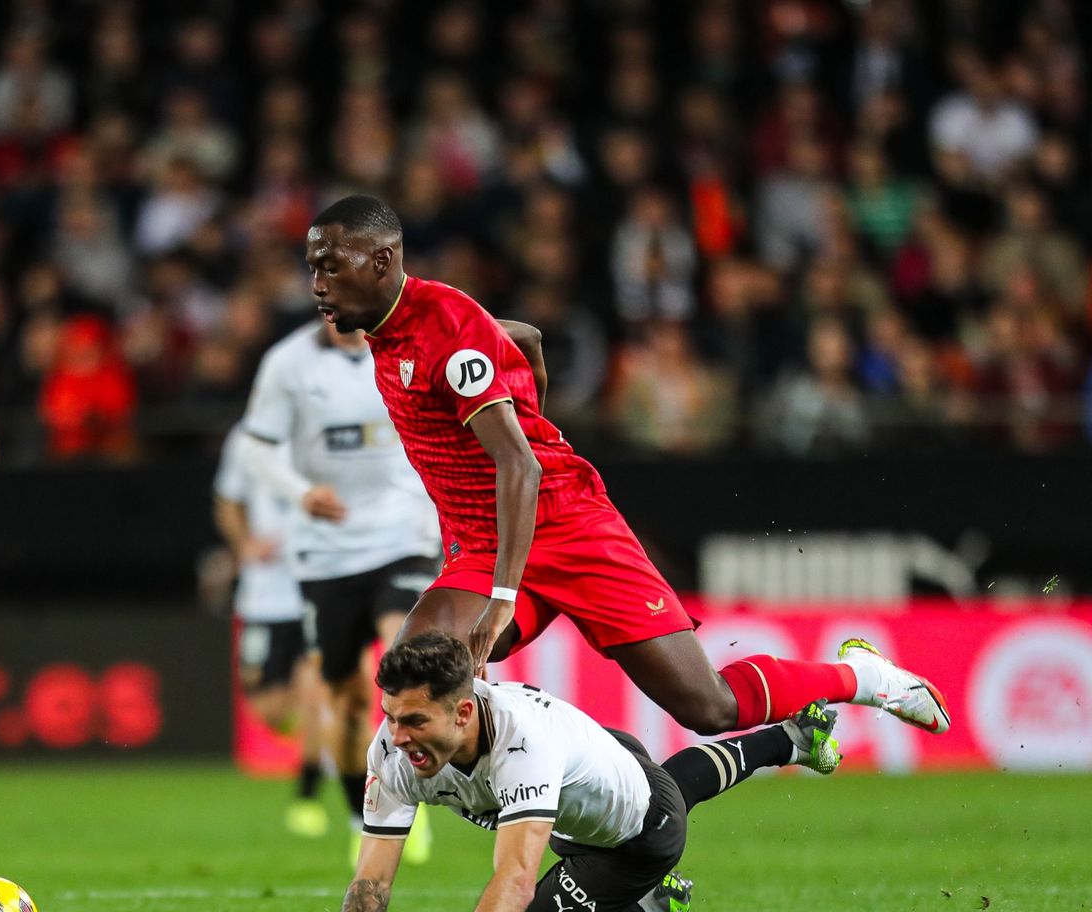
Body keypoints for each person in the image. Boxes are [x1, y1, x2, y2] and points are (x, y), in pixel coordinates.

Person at [304, 194, 949, 738]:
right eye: (312, 269)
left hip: (566, 522)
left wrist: (503, 597)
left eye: (330, 267)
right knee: (419, 671)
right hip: (489, 542)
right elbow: (524, 337)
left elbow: (521, 470)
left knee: (708, 707)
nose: (317, 285)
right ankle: (531, 820)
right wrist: (529, 409)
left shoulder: (446, 326)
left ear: (383, 259)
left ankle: (862, 677)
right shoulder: (398, 331)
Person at [292, 631, 848, 912]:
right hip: (598, 770)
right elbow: (373, 875)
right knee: (660, 787)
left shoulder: (521, 746)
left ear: (463, 713)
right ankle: (790, 740)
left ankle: (649, 910)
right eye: (391, 716)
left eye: (415, 721)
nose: (398, 736)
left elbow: (515, 879)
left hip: (632, 844)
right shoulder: (391, 751)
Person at [240, 318, 441, 863]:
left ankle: (412, 799)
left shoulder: (411, 342)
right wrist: (300, 493)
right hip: (325, 552)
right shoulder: (288, 363)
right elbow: (255, 447)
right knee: (348, 699)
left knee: (405, 656)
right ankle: (364, 816)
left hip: (403, 535)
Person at [213, 421, 325, 835]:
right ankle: (313, 728)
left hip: (316, 584)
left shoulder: (325, 427)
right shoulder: (245, 436)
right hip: (264, 594)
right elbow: (227, 501)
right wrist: (244, 544)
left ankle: (307, 795)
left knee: (315, 692)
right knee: (268, 707)